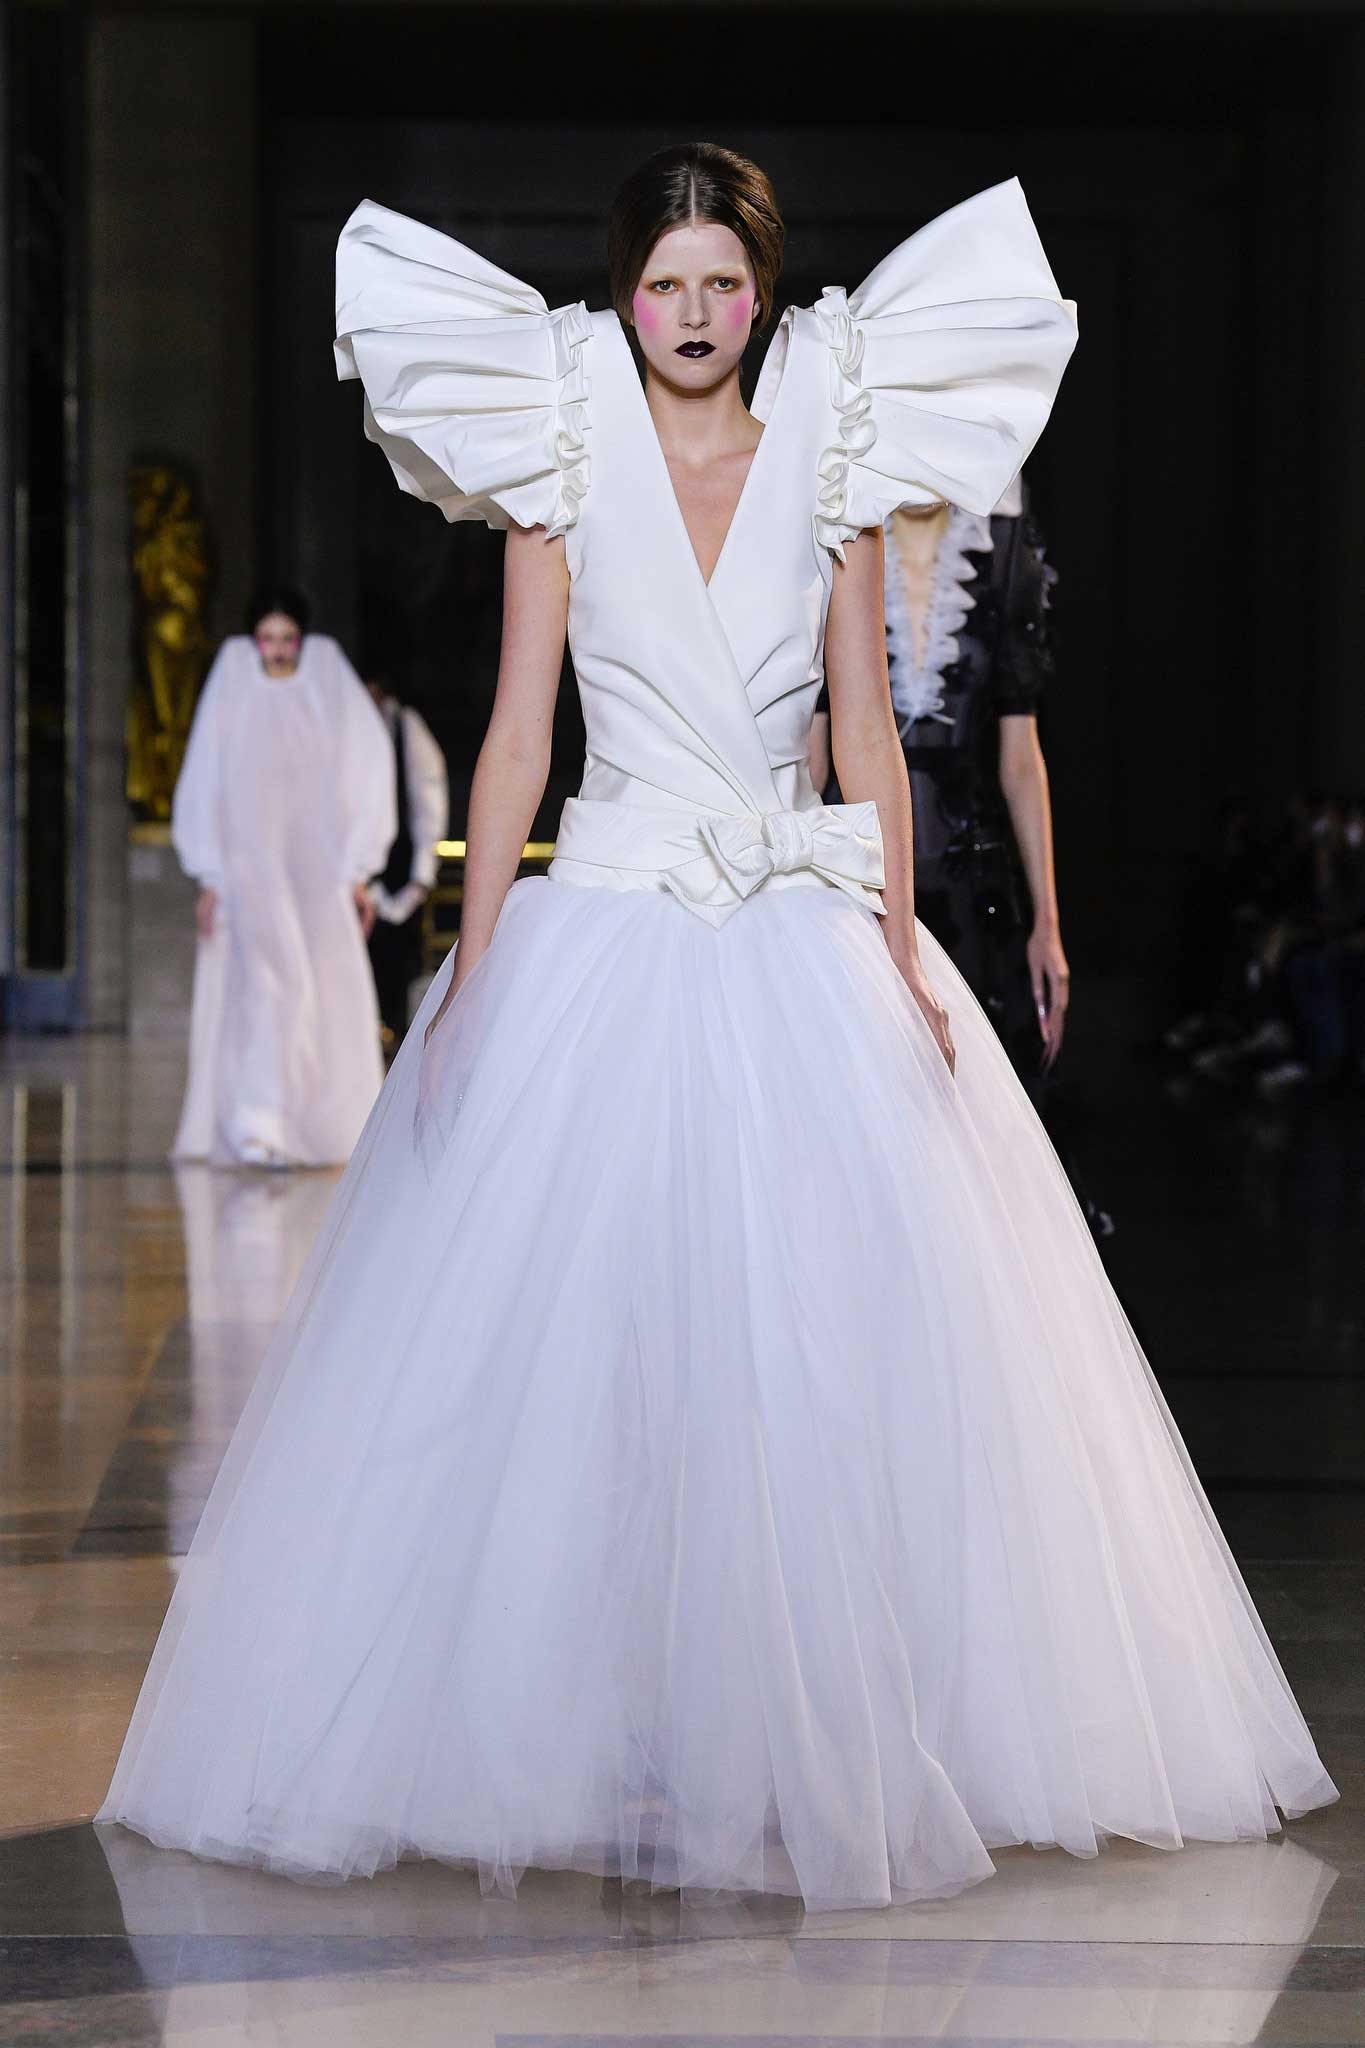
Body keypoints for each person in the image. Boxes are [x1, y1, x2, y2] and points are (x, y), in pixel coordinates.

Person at [100, 149, 1335, 1910]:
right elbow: (518, 736)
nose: (693, 314)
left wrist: (900, 958)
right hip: (604, 924)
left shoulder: (830, 463)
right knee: (589, 1355)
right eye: (664, 283)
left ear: (762, 292)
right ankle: (593, 1737)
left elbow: (863, 739)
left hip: (791, 933)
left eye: (721, 283)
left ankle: (802, 1740)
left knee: (825, 1359)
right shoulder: (560, 464)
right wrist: (472, 965)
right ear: (625, 295)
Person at [808, 480, 1067, 1092]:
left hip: (973, 882)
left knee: (971, 1097)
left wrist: (1048, 924)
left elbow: (1020, 758)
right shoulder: (836, 537)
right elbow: (811, 754)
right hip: (856, 876)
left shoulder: (1002, 550)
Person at [170, 590, 396, 1167]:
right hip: (249, 867)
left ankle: (311, 1125)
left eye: (286, 638)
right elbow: (206, 769)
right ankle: (258, 1123)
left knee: (316, 986)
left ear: (301, 638)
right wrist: (210, 873)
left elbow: (366, 763)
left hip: (313, 869)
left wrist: (358, 868)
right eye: (267, 639)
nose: (276, 650)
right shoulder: (233, 676)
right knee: (267, 984)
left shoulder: (326, 674)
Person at [364, 675, 450, 1046]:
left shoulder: (406, 727)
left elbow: (427, 797)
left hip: (397, 876)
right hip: (359, 876)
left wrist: (419, 878)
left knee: (398, 970)